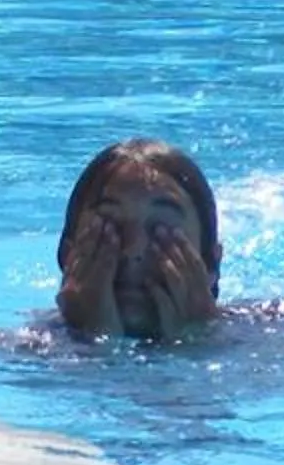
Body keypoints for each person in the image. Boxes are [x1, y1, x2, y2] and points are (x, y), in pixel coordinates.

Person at [55, 138, 221, 342]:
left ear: (210, 263)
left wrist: (197, 339)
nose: (133, 250)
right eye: (111, 226)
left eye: (161, 229)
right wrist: (89, 341)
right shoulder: (27, 350)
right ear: (67, 254)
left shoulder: (263, 335)